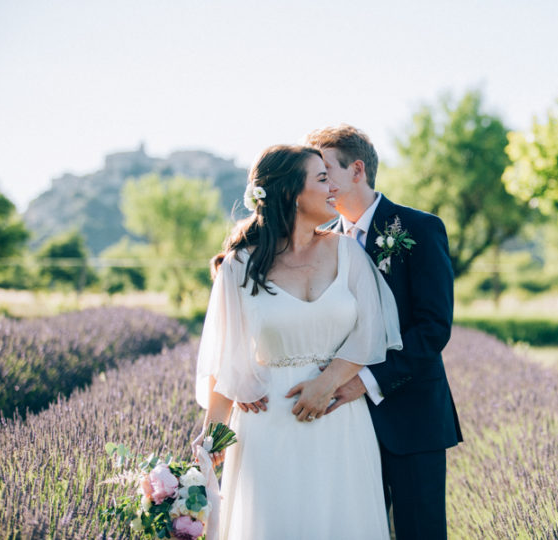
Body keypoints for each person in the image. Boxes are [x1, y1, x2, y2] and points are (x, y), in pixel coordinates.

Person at [192, 144, 402, 539]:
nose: (332, 188)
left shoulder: (349, 253)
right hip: (268, 424)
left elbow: (370, 332)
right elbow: (227, 360)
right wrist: (213, 435)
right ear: (290, 193)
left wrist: (327, 383)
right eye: (321, 179)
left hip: (340, 418)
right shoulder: (239, 267)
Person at [307, 125, 463, 539]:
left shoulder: (419, 228)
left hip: (412, 416)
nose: (320, 185)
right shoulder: (321, 244)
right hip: (344, 420)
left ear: (357, 170)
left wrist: (365, 381)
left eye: (325, 173)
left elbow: (432, 328)